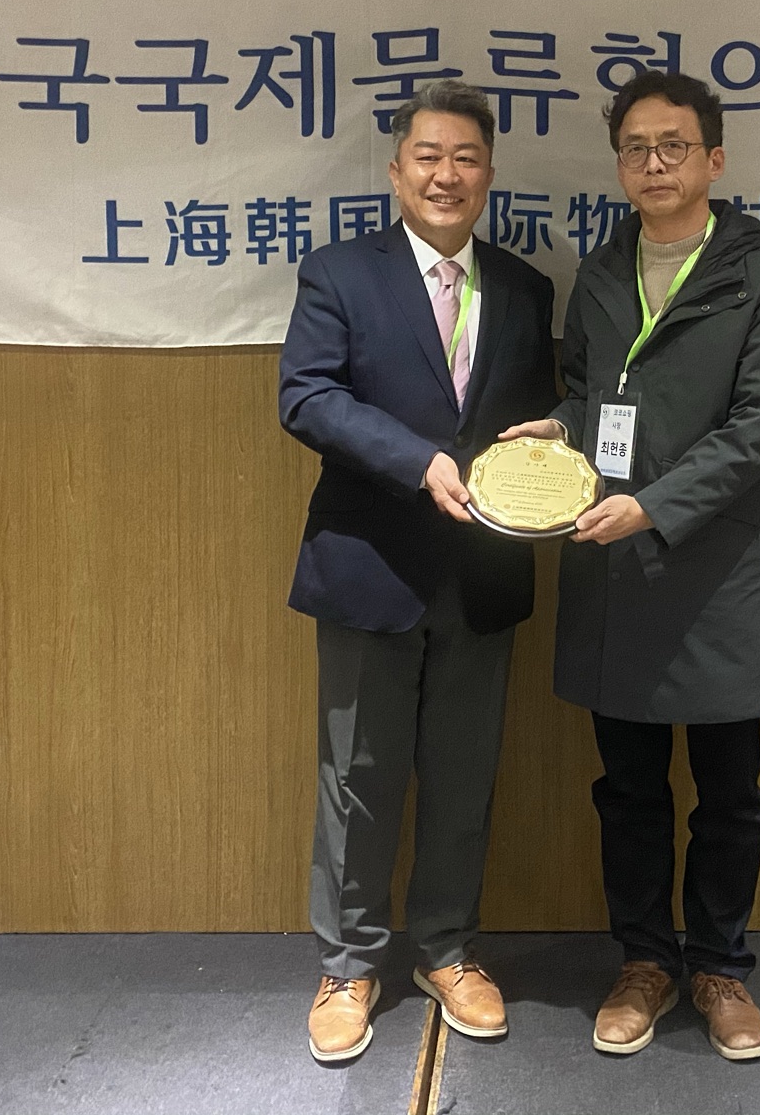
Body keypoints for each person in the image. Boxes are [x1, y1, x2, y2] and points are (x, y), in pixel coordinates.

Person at [501, 69, 760, 1062]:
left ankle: (718, 966)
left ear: (713, 160)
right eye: (635, 148)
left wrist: (657, 506)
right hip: (612, 563)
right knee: (626, 788)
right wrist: (561, 429)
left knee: (729, 791)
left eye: (673, 146)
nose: (653, 164)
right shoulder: (600, 274)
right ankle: (643, 962)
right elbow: (594, 396)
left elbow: (758, 427)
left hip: (716, 567)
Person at [279, 80, 557, 1064]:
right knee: (357, 774)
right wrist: (417, 460)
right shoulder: (338, 273)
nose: (447, 175)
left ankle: (446, 948)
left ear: (489, 174)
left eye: (466, 158)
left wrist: (550, 447)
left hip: (483, 571)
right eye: (428, 157)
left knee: (462, 773)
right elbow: (306, 396)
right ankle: (349, 963)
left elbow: (536, 411)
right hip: (369, 563)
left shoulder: (526, 288)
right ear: (396, 173)